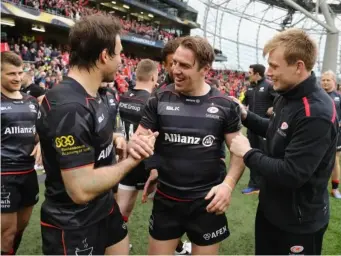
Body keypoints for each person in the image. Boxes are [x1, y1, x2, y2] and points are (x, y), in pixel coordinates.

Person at [36, 14, 157, 255]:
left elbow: (91, 132)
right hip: (74, 223)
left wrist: (117, 140)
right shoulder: (69, 106)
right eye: (119, 53)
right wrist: (133, 160)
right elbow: (80, 189)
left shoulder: (96, 95)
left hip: (104, 208)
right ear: (104, 55)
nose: (122, 61)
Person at [129, 36, 245, 255]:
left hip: (207, 204)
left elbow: (239, 153)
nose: (175, 70)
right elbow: (141, 138)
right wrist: (152, 165)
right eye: (174, 63)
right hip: (167, 201)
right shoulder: (159, 99)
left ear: (205, 69)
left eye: (184, 65)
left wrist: (228, 186)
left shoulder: (224, 105)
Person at [230, 28, 337, 255]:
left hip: (299, 223)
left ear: (298, 66)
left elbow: (292, 173)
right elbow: (276, 131)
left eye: (274, 66)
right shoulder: (286, 95)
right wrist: (246, 116)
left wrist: (247, 153)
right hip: (271, 209)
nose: (268, 72)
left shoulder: (315, 112)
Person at [1, 51, 41, 255]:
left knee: (19, 229)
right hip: (3, 175)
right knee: (6, 232)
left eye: (19, 73)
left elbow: (39, 133)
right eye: (11, 74)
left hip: (28, 173)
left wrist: (41, 142)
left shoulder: (31, 102)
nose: (17, 78)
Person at [116, 59, 158, 244]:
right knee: (166, 210)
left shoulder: (124, 96)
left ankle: (114, 241)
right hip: (147, 162)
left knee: (122, 209)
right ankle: (176, 246)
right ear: (153, 76)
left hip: (126, 159)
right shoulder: (152, 102)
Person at [241, 64, 277, 195]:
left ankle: (262, 184)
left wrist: (273, 109)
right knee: (252, 153)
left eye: (250, 72)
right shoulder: (250, 87)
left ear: (257, 74)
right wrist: (243, 107)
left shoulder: (269, 85)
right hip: (252, 126)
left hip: (266, 128)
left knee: (264, 155)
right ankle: (255, 184)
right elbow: (245, 102)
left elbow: (280, 101)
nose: (248, 74)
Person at [98, 82, 126, 199]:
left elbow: (117, 120)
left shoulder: (110, 95)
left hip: (111, 153)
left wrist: (119, 136)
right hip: (94, 157)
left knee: (114, 192)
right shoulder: (85, 97)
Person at [321, 70, 341, 199]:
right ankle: (318, 186)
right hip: (318, 134)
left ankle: (335, 189)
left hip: (335, 135)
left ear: (334, 82)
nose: (325, 82)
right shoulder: (316, 95)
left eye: (328, 80)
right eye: (323, 80)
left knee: (334, 160)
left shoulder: (338, 97)